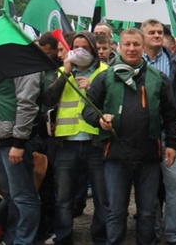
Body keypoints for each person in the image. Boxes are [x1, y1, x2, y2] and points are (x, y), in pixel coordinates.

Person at [83, 28, 176, 245]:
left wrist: (172, 143)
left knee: (147, 212)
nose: (131, 48)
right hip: (115, 155)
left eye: (136, 44)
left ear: (143, 46)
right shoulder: (105, 77)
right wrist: (98, 120)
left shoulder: (158, 78)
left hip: (149, 157)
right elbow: (88, 109)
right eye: (127, 44)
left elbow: (170, 115)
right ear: (121, 45)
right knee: (116, 211)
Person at [43, 31, 109, 245]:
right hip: (67, 143)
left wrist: (91, 90)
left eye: (85, 47)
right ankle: (63, 237)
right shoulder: (62, 71)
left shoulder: (104, 72)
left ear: (92, 49)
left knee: (102, 196)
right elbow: (49, 99)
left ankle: (100, 236)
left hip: (95, 143)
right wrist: (66, 74)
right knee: (63, 197)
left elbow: (111, 103)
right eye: (75, 47)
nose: (80, 51)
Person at [142, 19, 176, 244]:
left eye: (159, 32)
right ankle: (151, 232)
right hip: (144, 136)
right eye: (151, 32)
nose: (156, 35)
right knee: (149, 187)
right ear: (142, 36)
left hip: (170, 136)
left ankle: (174, 233)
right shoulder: (134, 63)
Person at [0, 71, 44, 245]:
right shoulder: (5, 63)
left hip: (15, 140)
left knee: (23, 195)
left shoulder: (25, 65)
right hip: (2, 138)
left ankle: (24, 240)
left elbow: (27, 104)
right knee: (11, 194)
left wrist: (19, 142)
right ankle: (13, 237)